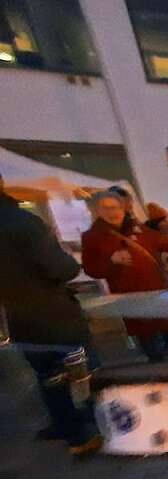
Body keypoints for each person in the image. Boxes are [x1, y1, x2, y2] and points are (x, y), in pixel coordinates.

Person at [0, 174, 101, 454]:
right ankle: (97, 429)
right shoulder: (22, 222)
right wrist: (65, 257)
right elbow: (62, 268)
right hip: (55, 317)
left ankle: (72, 435)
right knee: (83, 374)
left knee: (49, 379)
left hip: (20, 320)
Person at [82, 190, 168, 361]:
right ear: (97, 211)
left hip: (160, 295)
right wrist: (112, 261)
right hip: (133, 301)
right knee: (153, 350)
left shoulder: (141, 231)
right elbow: (91, 269)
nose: (113, 212)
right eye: (106, 208)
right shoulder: (92, 237)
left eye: (116, 207)